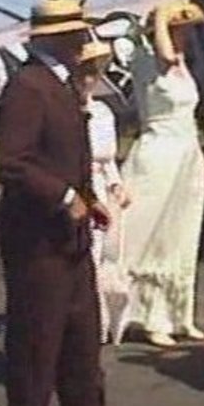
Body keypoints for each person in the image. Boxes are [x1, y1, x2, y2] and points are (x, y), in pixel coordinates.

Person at [0, 0, 128, 406]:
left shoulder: (65, 86)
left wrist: (90, 200)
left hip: (70, 238)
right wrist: (64, 196)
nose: (84, 40)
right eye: (78, 32)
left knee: (81, 331)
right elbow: (12, 163)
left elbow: (70, 156)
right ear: (56, 37)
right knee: (37, 338)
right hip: (38, 240)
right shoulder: (29, 88)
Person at [120, 0, 204, 349]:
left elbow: (188, 120)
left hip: (185, 156)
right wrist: (162, 14)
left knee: (181, 236)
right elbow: (162, 55)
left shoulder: (183, 67)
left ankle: (180, 315)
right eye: (181, 29)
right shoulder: (148, 61)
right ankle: (148, 317)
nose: (186, 36)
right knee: (152, 237)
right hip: (158, 154)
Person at [73, 38, 132, 345]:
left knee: (104, 256)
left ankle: (101, 322)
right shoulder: (65, 111)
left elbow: (107, 160)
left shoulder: (103, 113)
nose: (88, 80)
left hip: (100, 187)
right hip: (76, 188)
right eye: (83, 72)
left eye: (94, 73)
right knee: (85, 258)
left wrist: (116, 183)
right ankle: (84, 325)